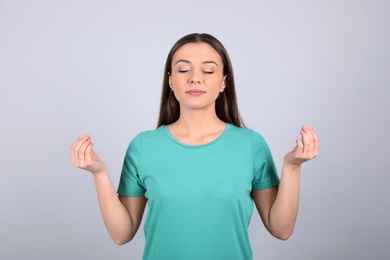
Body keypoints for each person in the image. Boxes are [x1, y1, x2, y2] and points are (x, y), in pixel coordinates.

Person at [70, 33, 319, 260]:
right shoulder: (143, 146)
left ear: (223, 82)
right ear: (170, 81)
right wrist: (99, 173)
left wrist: (292, 167)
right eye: (183, 69)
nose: (195, 78)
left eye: (208, 71)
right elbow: (122, 234)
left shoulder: (251, 145)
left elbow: (281, 229)